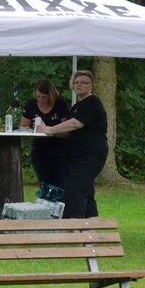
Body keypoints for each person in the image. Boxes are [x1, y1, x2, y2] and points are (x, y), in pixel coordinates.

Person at [35, 70, 107, 218]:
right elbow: (67, 132)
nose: (79, 85)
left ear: (91, 85)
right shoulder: (76, 107)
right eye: (76, 82)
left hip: (90, 156)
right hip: (75, 156)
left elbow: (74, 124)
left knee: (74, 189)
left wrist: (50, 129)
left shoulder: (93, 103)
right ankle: (90, 225)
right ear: (72, 86)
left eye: (84, 82)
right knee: (85, 189)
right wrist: (48, 130)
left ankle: (74, 224)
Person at [20, 78, 69, 190]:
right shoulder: (31, 104)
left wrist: (50, 130)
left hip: (59, 149)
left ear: (51, 95)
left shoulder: (60, 104)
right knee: (44, 183)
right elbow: (23, 126)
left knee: (60, 183)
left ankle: (61, 201)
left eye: (44, 97)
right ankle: (45, 200)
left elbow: (66, 130)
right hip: (39, 149)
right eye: (38, 96)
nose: (41, 100)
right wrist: (32, 129)